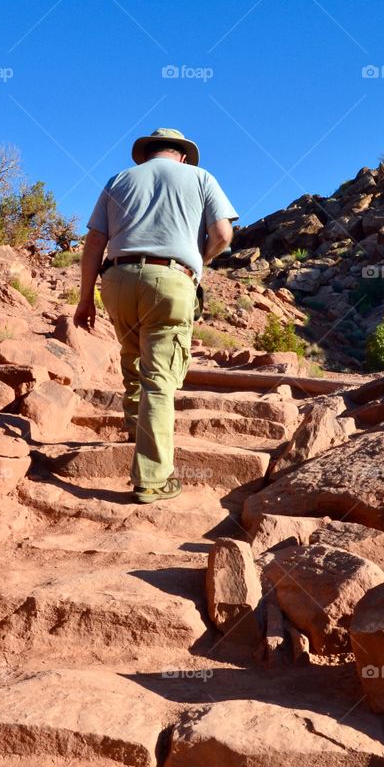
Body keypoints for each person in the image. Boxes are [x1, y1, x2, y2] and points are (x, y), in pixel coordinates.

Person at [74, 127, 237, 504]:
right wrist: (199, 262)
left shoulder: (119, 180)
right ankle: (152, 478)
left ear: (148, 154)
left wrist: (85, 300)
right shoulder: (201, 177)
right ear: (181, 155)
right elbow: (223, 234)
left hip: (116, 279)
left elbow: (95, 242)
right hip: (171, 279)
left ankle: (135, 427)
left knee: (133, 355)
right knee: (160, 378)